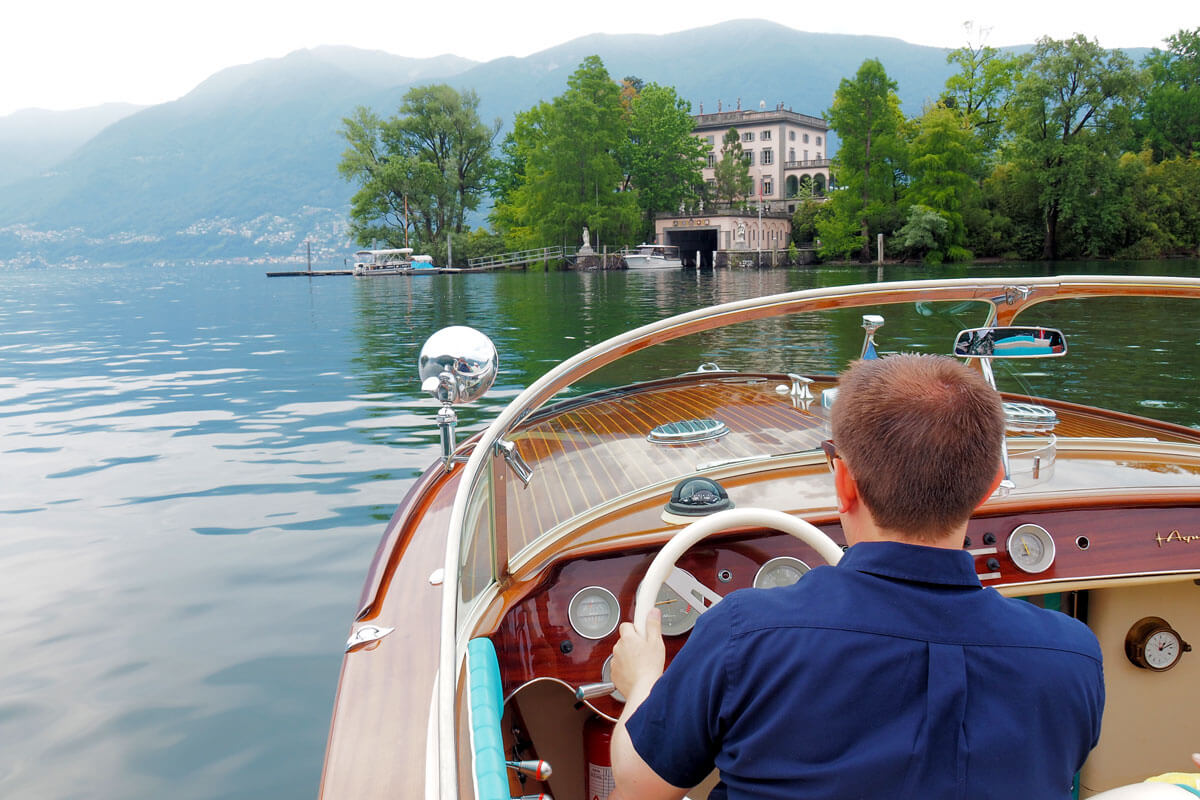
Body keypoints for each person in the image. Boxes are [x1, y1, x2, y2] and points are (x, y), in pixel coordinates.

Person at [610, 353, 1104, 800]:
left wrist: (643, 681)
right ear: (990, 486)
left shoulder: (745, 633)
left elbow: (638, 788)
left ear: (844, 481)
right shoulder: (1073, 657)